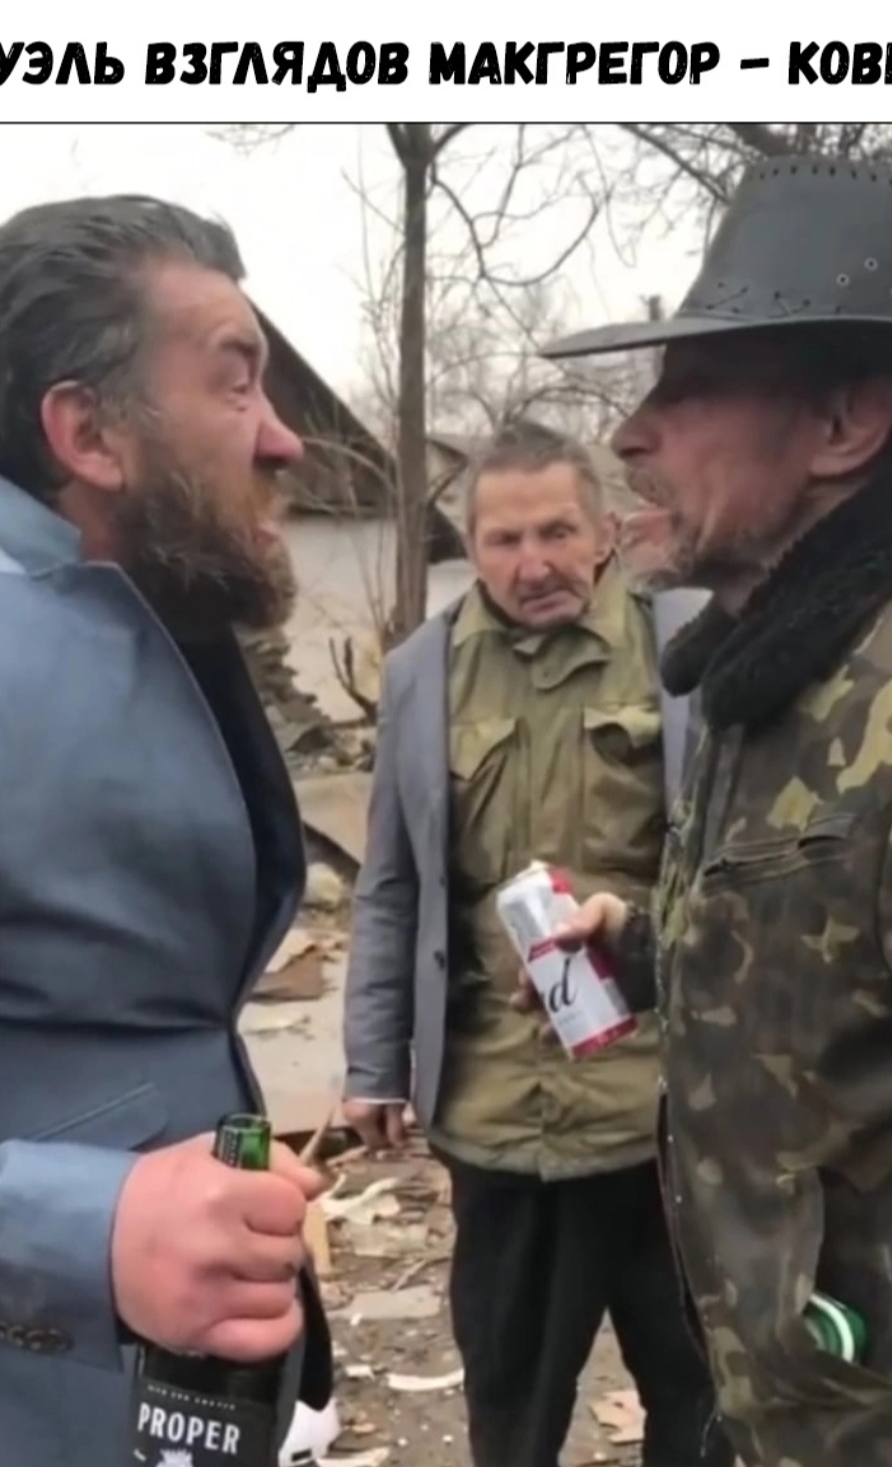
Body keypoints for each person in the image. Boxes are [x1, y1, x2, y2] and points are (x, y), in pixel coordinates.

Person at [533, 156, 892, 1466]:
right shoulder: (797, 653)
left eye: (688, 390)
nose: (632, 435)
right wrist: (650, 947)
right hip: (807, 1417)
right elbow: (851, 945)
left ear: (846, 421)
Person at [0, 196, 332, 1467]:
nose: (285, 439)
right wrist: (92, 1231)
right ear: (89, 433)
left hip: (194, 1404)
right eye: (237, 382)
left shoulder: (160, 608)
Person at [342, 420, 730, 1467]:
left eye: (557, 531)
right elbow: (392, 883)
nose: (533, 563)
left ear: (606, 532)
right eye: (504, 540)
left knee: (704, 1407)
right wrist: (373, 1062)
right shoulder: (424, 672)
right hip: (500, 1121)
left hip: (666, 1117)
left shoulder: (690, 646)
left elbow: (742, 865)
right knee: (510, 1414)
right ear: (471, 549)